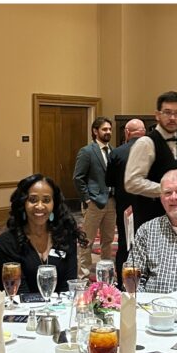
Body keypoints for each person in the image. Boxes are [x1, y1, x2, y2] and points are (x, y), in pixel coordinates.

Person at [0, 174, 86, 294]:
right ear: (23, 203)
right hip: (23, 304)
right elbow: (18, 292)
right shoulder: (9, 241)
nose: (40, 206)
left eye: (46, 200)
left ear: (54, 204)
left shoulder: (65, 236)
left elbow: (68, 287)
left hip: (61, 305)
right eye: (33, 200)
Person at [124, 90, 177, 232]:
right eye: (167, 112)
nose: (172, 117)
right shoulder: (145, 143)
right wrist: (165, 191)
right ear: (157, 115)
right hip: (150, 218)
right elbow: (131, 182)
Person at [74, 115, 116, 278]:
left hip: (111, 202)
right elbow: (78, 178)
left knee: (108, 240)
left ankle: (106, 274)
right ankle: (83, 277)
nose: (108, 132)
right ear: (95, 131)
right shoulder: (87, 151)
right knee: (87, 241)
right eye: (104, 129)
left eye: (109, 129)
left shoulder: (112, 151)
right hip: (94, 202)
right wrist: (86, 198)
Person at [107, 118, 147, 283]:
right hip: (150, 206)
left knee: (125, 244)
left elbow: (109, 181)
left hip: (125, 206)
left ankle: (123, 283)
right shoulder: (155, 152)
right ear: (144, 132)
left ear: (127, 133)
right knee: (150, 242)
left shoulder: (117, 153)